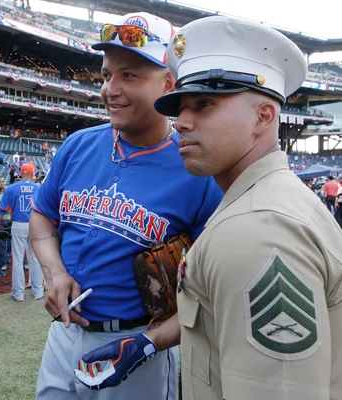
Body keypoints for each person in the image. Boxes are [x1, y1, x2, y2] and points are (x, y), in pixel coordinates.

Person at [29, 12, 222, 400]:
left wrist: (148, 344)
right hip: (65, 332)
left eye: (129, 75)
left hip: (139, 342)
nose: (110, 89)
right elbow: (42, 217)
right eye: (106, 75)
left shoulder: (199, 170)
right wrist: (55, 274)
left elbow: (211, 294)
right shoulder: (79, 145)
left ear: (169, 84)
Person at [154, 15, 342, 400]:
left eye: (204, 103)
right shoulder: (266, 202)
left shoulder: (261, 228)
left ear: (263, 117)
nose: (181, 122)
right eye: (181, 107)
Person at [0, 164, 44, 302]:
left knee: (17, 259)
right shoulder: (38, 188)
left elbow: (1, 210)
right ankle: (38, 292)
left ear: (20, 173)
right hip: (35, 224)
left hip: (18, 224)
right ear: (32, 173)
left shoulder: (11, 188)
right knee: (35, 258)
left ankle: (18, 294)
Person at [0, 175, 11, 276]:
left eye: (3, 181)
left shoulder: (9, 193)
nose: (1, 183)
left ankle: (24, 264)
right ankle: (2, 265)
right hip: (0, 221)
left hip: (11, 220)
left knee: (13, 244)